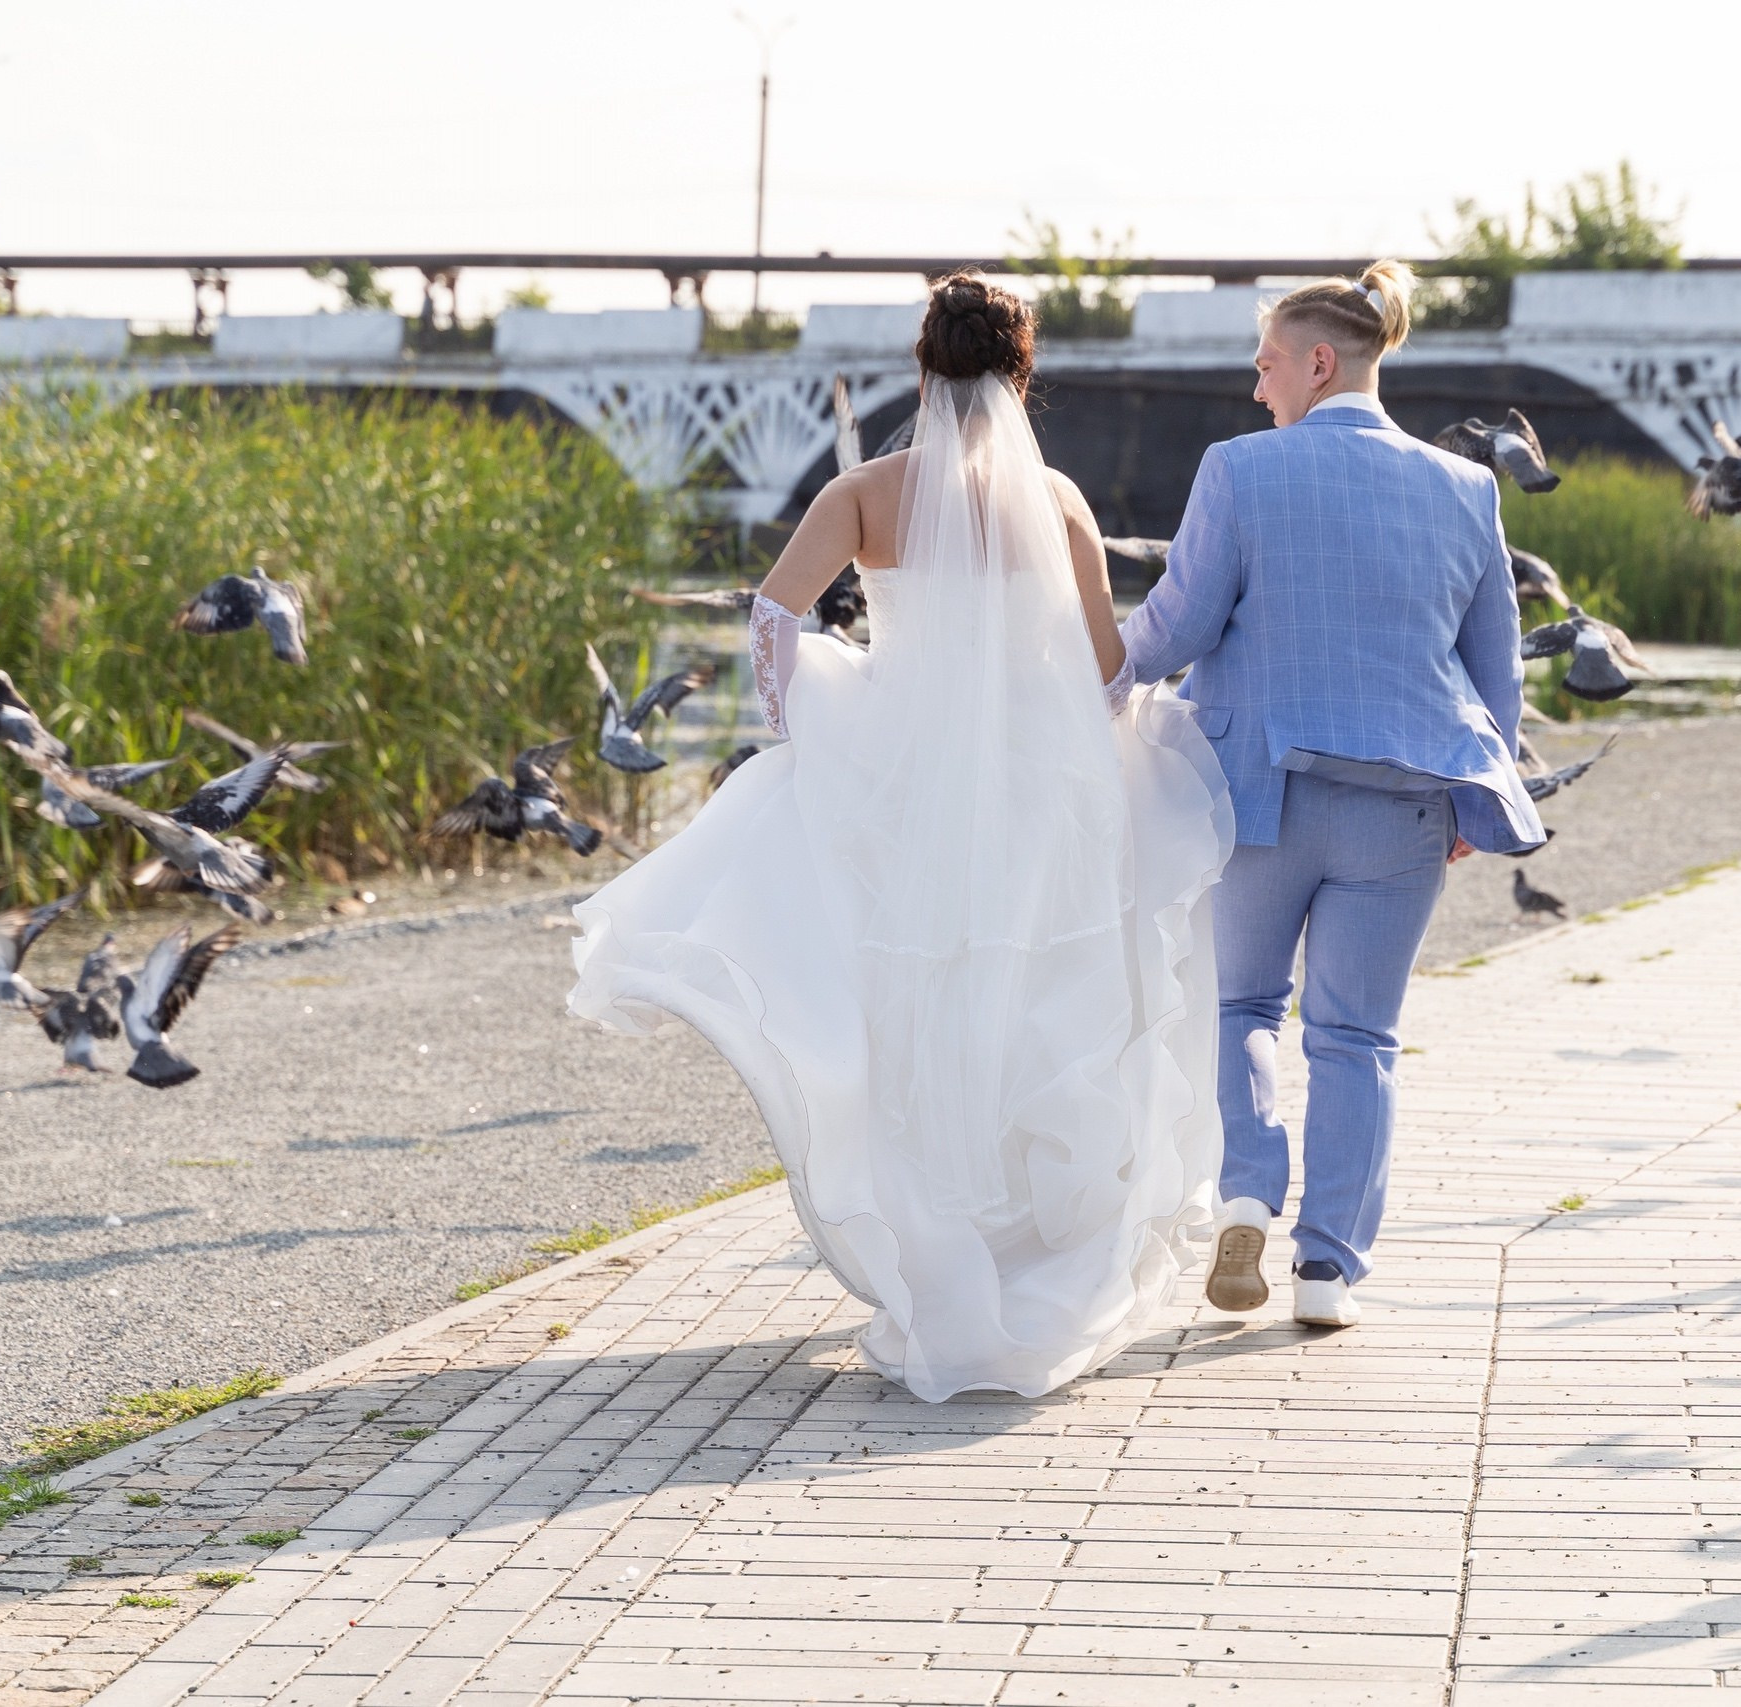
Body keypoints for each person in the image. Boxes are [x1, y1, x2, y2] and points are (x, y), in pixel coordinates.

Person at [566, 275, 1235, 1403]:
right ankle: (1030, 1249)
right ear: (1021, 376)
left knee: (911, 1000)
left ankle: (940, 1249)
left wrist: (805, 726)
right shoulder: (1060, 500)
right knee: (1036, 999)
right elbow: (1106, 665)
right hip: (1036, 789)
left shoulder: (866, 491)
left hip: (904, 777)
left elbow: (774, 615)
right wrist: (1102, 733)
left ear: (921, 368)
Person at [1119, 261, 1543, 1331]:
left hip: (1258, 794)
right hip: (1404, 804)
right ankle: (1326, 1272)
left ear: (1316, 362)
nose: (1257, 388)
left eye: (1266, 365)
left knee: (1240, 1005)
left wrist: (1074, 685)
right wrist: (1470, 790)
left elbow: (1173, 629)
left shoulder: (1239, 469)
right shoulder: (1468, 488)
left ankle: (1250, 1189)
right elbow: (1497, 671)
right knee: (1357, 1035)